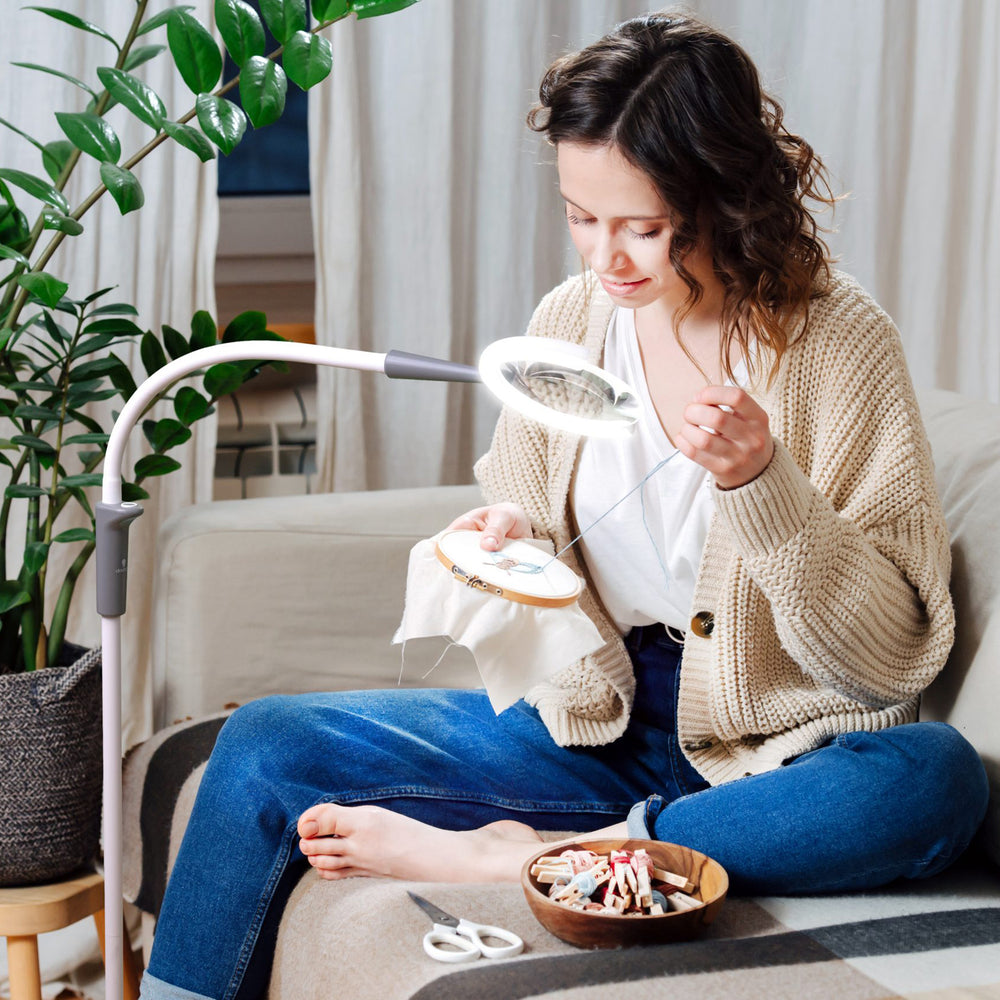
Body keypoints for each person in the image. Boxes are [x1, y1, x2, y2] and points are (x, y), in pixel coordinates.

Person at [138, 11, 989, 1000]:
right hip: (597, 722)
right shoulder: (573, 319)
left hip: (779, 759)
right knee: (266, 743)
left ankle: (530, 856)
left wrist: (763, 483)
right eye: (582, 216)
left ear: (722, 195)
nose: (605, 257)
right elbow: (528, 500)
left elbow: (890, 657)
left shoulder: (841, 346)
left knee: (934, 778)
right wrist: (509, 536)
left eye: (641, 224)